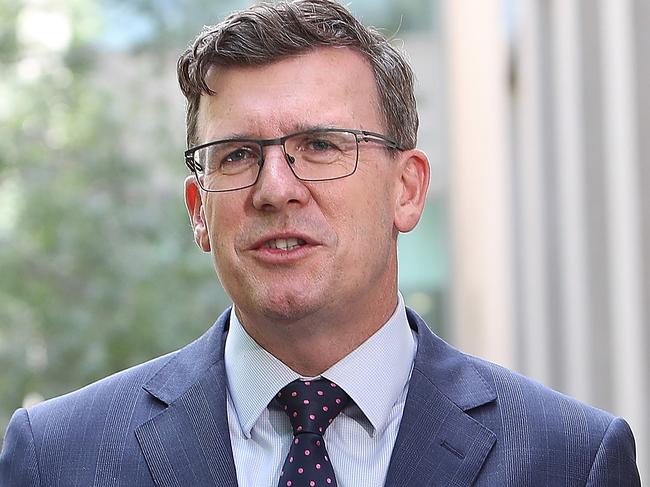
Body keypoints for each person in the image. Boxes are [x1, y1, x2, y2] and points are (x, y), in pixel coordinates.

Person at [0, 0, 641, 485]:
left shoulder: (568, 458)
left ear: (408, 190)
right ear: (198, 211)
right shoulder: (56, 458)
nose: (275, 188)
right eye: (238, 155)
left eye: (321, 146)